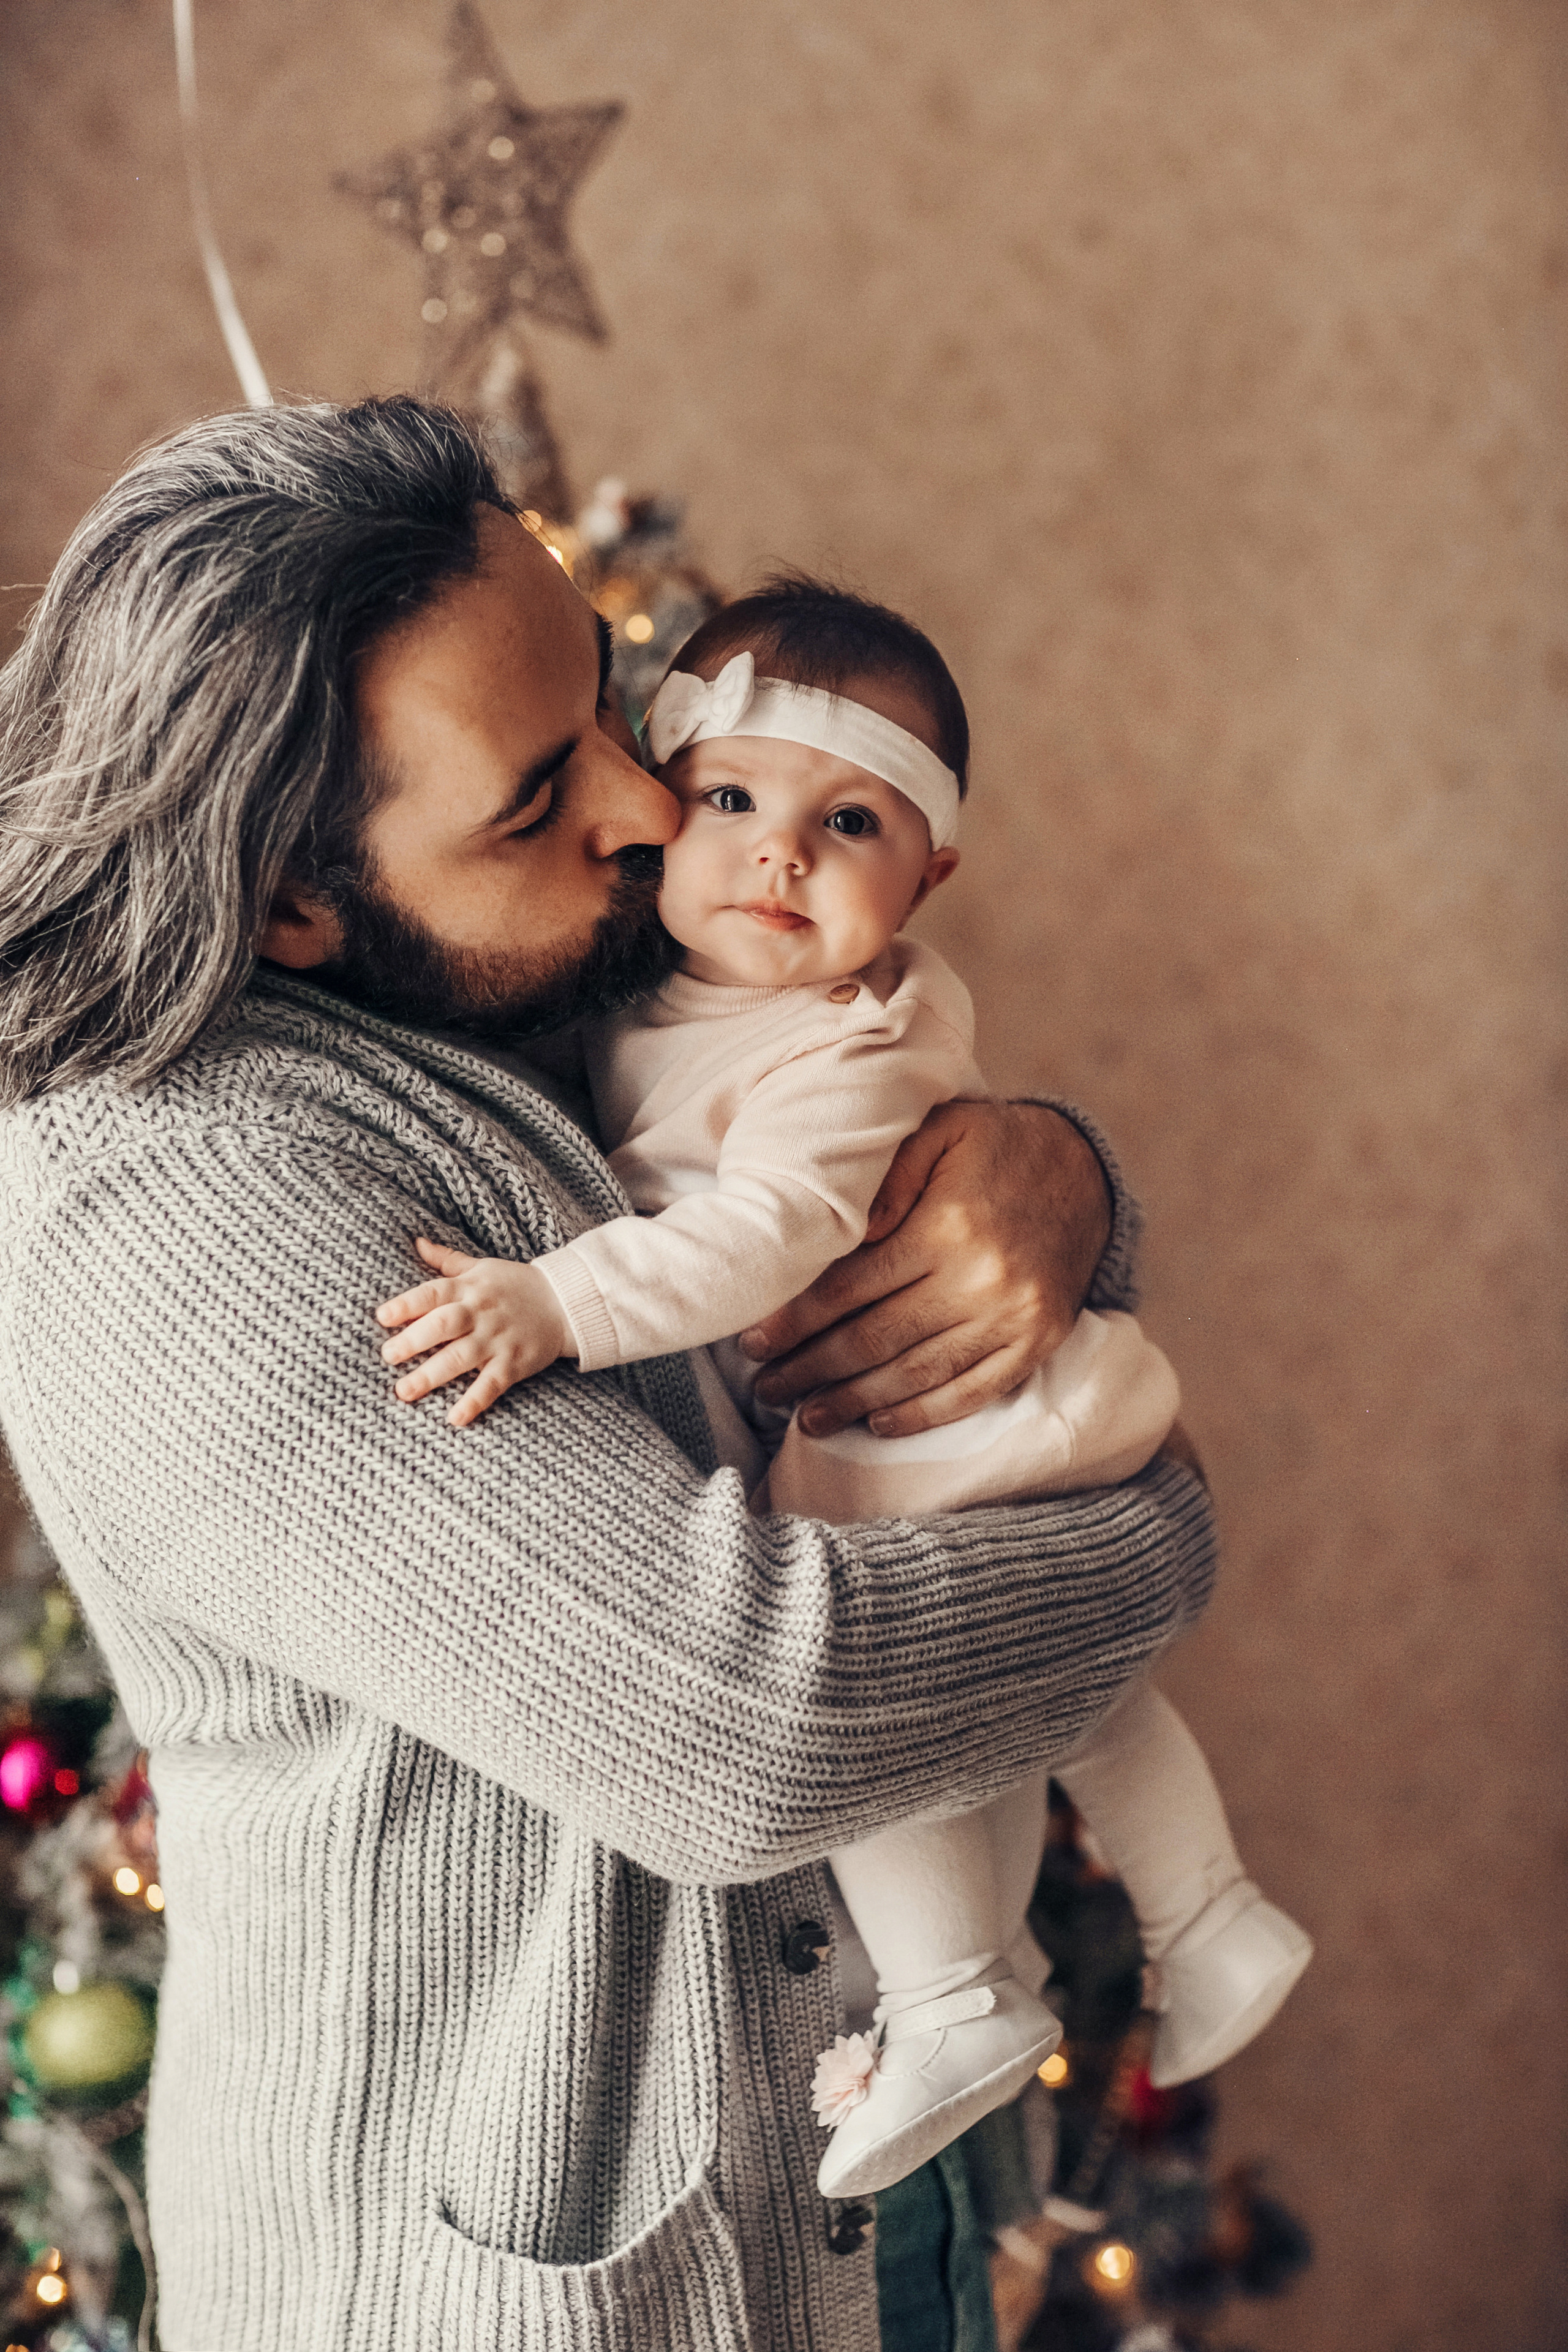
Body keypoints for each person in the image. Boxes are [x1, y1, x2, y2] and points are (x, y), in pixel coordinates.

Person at [0, 396, 1217, 2352]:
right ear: (290, 901)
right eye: (534, 792)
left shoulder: (499, 968)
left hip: (872, 2201)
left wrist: (1052, 1176)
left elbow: (825, 1133)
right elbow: (756, 1722)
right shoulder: (179, 1206)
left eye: (613, 712)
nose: (653, 809)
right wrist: (1157, 1529)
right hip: (543, 2288)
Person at [373, 580, 1311, 2207]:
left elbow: (766, 1234)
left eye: (848, 821)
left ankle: (957, 2001)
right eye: (730, 799)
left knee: (888, 1682)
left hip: (906, 1412)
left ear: (932, 868)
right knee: (1071, 1694)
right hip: (950, 1402)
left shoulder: (842, 1038)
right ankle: (1212, 1917)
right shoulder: (664, 1002)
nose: (778, 855)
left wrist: (552, 1303)